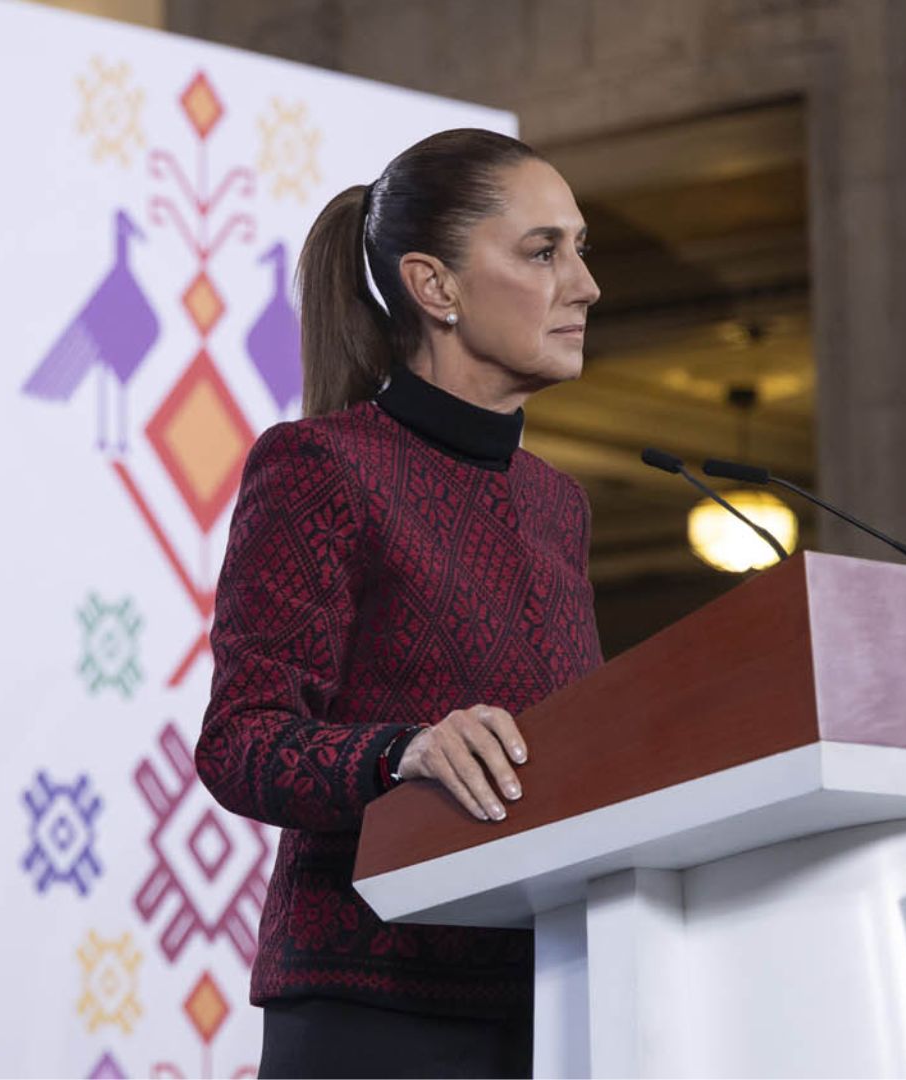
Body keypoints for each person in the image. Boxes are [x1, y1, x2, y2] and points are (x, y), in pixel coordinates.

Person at [194, 128, 603, 1079]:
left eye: (581, 251)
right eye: (543, 252)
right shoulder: (320, 466)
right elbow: (241, 741)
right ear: (434, 286)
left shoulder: (560, 504)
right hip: (373, 1010)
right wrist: (402, 752)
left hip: (555, 997)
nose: (585, 286)